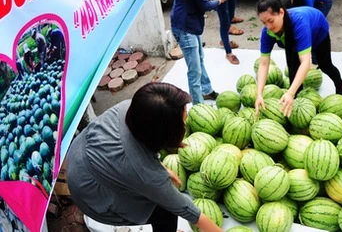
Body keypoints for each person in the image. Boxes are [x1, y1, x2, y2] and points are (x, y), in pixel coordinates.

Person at [66, 83, 224, 232]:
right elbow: (187, 211)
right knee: (164, 211)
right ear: (166, 134)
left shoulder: (132, 108)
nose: (185, 124)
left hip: (79, 153)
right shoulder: (147, 175)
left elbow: (138, 152)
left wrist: (164, 169)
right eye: (182, 123)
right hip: (88, 193)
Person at [255, 0, 342, 116]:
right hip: (292, 37)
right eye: (264, 23)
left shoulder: (298, 24)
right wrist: (259, 93)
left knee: (325, 65)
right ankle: (297, 107)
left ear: (281, 12)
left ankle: (340, 86)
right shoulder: (267, 32)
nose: (268, 26)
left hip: (318, 29)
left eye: (271, 20)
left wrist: (289, 93)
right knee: (293, 70)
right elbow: (264, 63)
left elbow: (306, 63)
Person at [171, 0, 229, 103]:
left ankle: (207, 90)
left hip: (190, 21)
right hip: (184, 26)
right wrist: (219, 0)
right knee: (194, 69)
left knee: (200, 58)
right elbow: (204, 5)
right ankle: (199, 106)